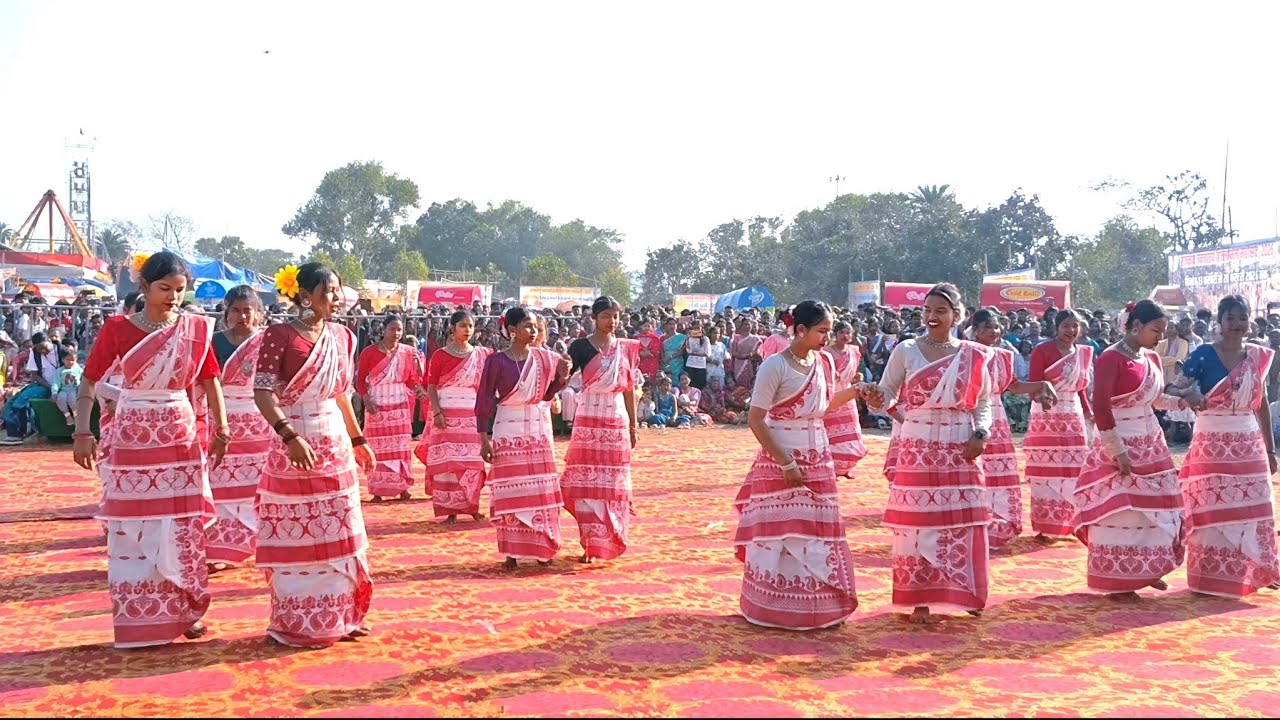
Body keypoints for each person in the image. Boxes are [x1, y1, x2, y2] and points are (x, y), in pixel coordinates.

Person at [71, 251, 229, 648]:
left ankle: (182, 608)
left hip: (179, 433)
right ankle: (139, 616)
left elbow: (210, 382)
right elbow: (90, 382)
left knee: (180, 524)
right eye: (164, 289)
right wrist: (82, 432)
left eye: (179, 290)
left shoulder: (194, 329)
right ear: (143, 286)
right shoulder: (117, 329)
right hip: (132, 433)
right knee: (133, 525)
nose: (173, 297)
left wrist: (222, 429)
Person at [252, 263, 376, 647]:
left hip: (333, 443)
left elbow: (340, 394)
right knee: (297, 531)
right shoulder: (279, 335)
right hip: (294, 445)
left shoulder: (341, 337)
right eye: (328, 292)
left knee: (338, 528)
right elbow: (262, 392)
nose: (336, 299)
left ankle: (341, 615)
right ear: (304, 295)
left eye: (338, 291)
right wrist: (289, 436)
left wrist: (357, 440)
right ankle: (296, 621)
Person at [863, 284, 992, 624]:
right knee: (918, 524)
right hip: (918, 441)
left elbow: (983, 403)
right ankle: (920, 598)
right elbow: (889, 393)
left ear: (956, 315)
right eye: (927, 310)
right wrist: (877, 399)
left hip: (960, 444)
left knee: (961, 522)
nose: (932, 317)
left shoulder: (973, 355)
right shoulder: (907, 350)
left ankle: (964, 592)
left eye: (940, 311)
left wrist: (981, 434)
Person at [734, 300, 860, 630]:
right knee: (780, 532)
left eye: (829, 331)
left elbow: (825, 405)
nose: (827, 338)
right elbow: (756, 419)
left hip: (818, 455)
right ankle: (771, 608)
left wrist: (857, 391)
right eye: (822, 331)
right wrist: (786, 463)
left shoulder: (824, 362)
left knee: (816, 531)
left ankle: (822, 606)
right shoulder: (774, 366)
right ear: (800, 330)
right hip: (781, 456)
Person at [1073, 300, 1185, 600]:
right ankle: (1117, 579)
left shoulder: (1150, 357)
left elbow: (1155, 399)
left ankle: (1146, 568)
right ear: (1135, 326)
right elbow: (1101, 405)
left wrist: (1183, 402)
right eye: (1155, 330)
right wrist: (1117, 450)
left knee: (1153, 511)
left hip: (1151, 443)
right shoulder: (1111, 358)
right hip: (1119, 442)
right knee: (1121, 510)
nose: (1159, 338)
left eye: (1162, 331)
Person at [1170, 295, 1280, 597]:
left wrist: (1270, 450)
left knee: (1255, 507)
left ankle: (1255, 571)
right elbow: (1174, 387)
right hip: (1210, 439)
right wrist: (1189, 395)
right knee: (1211, 508)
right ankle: (1208, 580)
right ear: (1220, 322)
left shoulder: (1258, 356)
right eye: (1230, 318)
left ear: (1248, 322)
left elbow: (1261, 406)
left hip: (1248, 441)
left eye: (1242, 318)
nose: (1237, 324)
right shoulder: (1203, 354)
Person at [478, 307, 571, 570]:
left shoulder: (544, 358)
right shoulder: (497, 361)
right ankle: (512, 551)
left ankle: (543, 547)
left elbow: (546, 395)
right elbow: (484, 400)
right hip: (508, 427)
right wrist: (484, 440)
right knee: (512, 488)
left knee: (539, 490)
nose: (533, 331)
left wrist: (563, 377)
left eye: (534, 327)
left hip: (538, 429)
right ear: (512, 331)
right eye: (527, 326)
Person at [560, 296, 640, 563]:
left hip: (615, 420)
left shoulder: (625, 349)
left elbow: (628, 388)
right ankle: (589, 543)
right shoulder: (581, 346)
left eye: (615, 316)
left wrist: (633, 425)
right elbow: (562, 374)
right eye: (606, 316)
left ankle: (610, 538)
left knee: (611, 484)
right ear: (593, 318)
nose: (612, 321)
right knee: (586, 483)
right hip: (588, 417)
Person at [969, 309, 1057, 550]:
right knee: (975, 472)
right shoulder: (963, 353)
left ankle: (998, 525)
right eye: (988, 326)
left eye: (997, 327)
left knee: (999, 472)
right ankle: (971, 524)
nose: (994, 331)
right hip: (969, 416)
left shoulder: (1004, 355)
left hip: (997, 418)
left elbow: (1014, 386)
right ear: (974, 329)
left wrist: (1043, 384)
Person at [205, 286, 272, 572]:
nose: (242, 316)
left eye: (248, 310)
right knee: (220, 485)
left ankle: (255, 543)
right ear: (226, 313)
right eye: (236, 310)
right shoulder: (214, 342)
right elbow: (204, 382)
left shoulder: (266, 342)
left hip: (259, 422)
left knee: (256, 487)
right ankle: (220, 549)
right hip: (220, 420)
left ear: (258, 314)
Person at [1024, 310, 1094, 543]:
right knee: (1046, 470)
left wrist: (1087, 410)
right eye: (1066, 326)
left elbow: (1080, 387)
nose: (1071, 331)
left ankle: (1073, 522)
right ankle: (1047, 526)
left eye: (1075, 326)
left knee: (1075, 469)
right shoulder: (1042, 350)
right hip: (1047, 416)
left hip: (1072, 415)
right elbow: (1033, 384)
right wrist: (1041, 399)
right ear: (1056, 327)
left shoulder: (1082, 353)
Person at [420, 310, 492, 524]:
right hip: (447, 414)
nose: (467, 330)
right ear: (452, 328)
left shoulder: (482, 354)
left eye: (470, 326)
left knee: (472, 462)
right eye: (462, 325)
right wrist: (437, 412)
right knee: (449, 464)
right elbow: (432, 387)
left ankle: (472, 506)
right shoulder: (440, 355)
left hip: (472, 414)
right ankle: (449, 509)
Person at [356, 316, 421, 502]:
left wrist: (417, 387)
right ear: (383, 330)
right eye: (392, 329)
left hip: (399, 407)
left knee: (400, 448)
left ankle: (403, 487)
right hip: (376, 406)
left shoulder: (407, 352)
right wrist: (367, 401)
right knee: (377, 449)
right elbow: (360, 380)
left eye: (399, 329)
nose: (396, 333)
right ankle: (378, 489)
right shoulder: (369, 352)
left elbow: (410, 379)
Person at [824, 320, 867, 478]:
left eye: (848, 332)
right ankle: (832, 466)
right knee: (831, 433)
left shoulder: (854, 351)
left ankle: (847, 466)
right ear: (835, 334)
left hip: (848, 394)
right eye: (842, 332)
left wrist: (857, 376)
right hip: (833, 394)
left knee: (850, 429)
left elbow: (853, 372)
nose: (845, 335)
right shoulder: (826, 352)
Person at [0, 332, 57, 444]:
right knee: (12, 401)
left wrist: (55, 389)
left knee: (21, 401)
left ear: (49, 342)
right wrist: (48, 386)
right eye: (39, 349)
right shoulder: (35, 353)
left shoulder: (60, 350)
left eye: (44, 348)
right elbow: (35, 375)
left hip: (60, 386)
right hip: (43, 385)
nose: (42, 351)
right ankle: (15, 434)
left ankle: (21, 431)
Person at [52, 349, 84, 425]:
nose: (70, 362)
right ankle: (68, 416)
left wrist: (79, 387)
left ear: (76, 359)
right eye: (68, 360)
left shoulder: (79, 370)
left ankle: (76, 417)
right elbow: (56, 383)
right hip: (63, 390)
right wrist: (54, 393)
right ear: (63, 360)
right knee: (61, 400)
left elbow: (83, 381)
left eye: (73, 360)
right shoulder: (59, 371)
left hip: (74, 390)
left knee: (73, 402)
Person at [660, 318, 686, 382]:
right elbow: (661, 350)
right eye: (670, 324)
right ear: (666, 326)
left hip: (677, 362)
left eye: (674, 324)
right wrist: (664, 359)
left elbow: (682, 351)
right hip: (665, 362)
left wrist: (670, 357)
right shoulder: (662, 338)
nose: (672, 326)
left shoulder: (682, 337)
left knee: (677, 380)